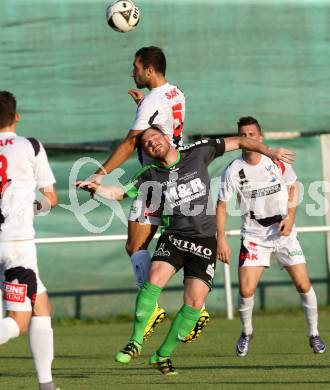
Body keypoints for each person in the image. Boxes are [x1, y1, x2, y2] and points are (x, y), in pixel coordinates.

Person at [77, 125, 295, 374]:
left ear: (167, 138)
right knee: (154, 278)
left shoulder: (199, 152)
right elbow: (119, 193)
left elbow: (238, 141)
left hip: (204, 241)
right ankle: (134, 342)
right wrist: (98, 189)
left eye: (154, 137)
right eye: (146, 143)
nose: (151, 143)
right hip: (174, 236)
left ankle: (162, 355)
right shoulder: (151, 174)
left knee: (194, 302)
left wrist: (269, 151)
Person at [82, 46, 207, 342]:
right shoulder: (176, 93)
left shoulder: (153, 100)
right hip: (171, 177)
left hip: (154, 181)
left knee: (137, 245)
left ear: (149, 70)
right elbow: (162, 125)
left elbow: (129, 144)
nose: (132, 73)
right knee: (166, 240)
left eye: (136, 68)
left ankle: (162, 309)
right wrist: (143, 108)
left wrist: (100, 173)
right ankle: (190, 307)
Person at [217, 116, 326, 357]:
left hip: (284, 233)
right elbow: (222, 205)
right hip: (255, 236)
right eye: (242, 135)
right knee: (246, 290)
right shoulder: (233, 170)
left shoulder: (274, 161)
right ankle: (246, 332)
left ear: (260, 138)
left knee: (303, 284)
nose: (247, 139)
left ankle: (314, 334)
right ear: (238, 139)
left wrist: (291, 217)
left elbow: (293, 187)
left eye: (251, 134)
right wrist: (221, 238)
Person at [0, 91, 59, 389]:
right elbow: (51, 198)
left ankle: (46, 385)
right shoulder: (30, 146)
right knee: (17, 323)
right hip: (17, 244)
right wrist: (34, 206)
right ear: (17, 116)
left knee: (42, 304)